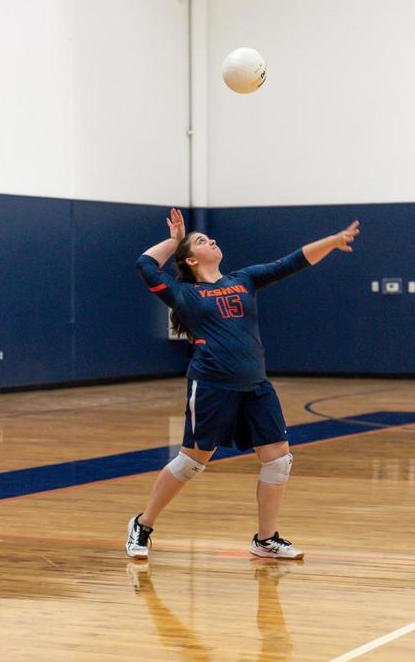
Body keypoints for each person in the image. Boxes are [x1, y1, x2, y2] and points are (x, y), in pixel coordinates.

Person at [127, 208, 360, 560]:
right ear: (191, 259)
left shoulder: (244, 279)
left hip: (255, 385)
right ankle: (143, 524)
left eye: (210, 238)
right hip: (211, 386)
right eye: (201, 241)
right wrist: (174, 241)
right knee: (192, 462)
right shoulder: (183, 293)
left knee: (278, 459)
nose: (211, 240)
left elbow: (291, 262)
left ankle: (265, 540)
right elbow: (145, 264)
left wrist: (332, 240)